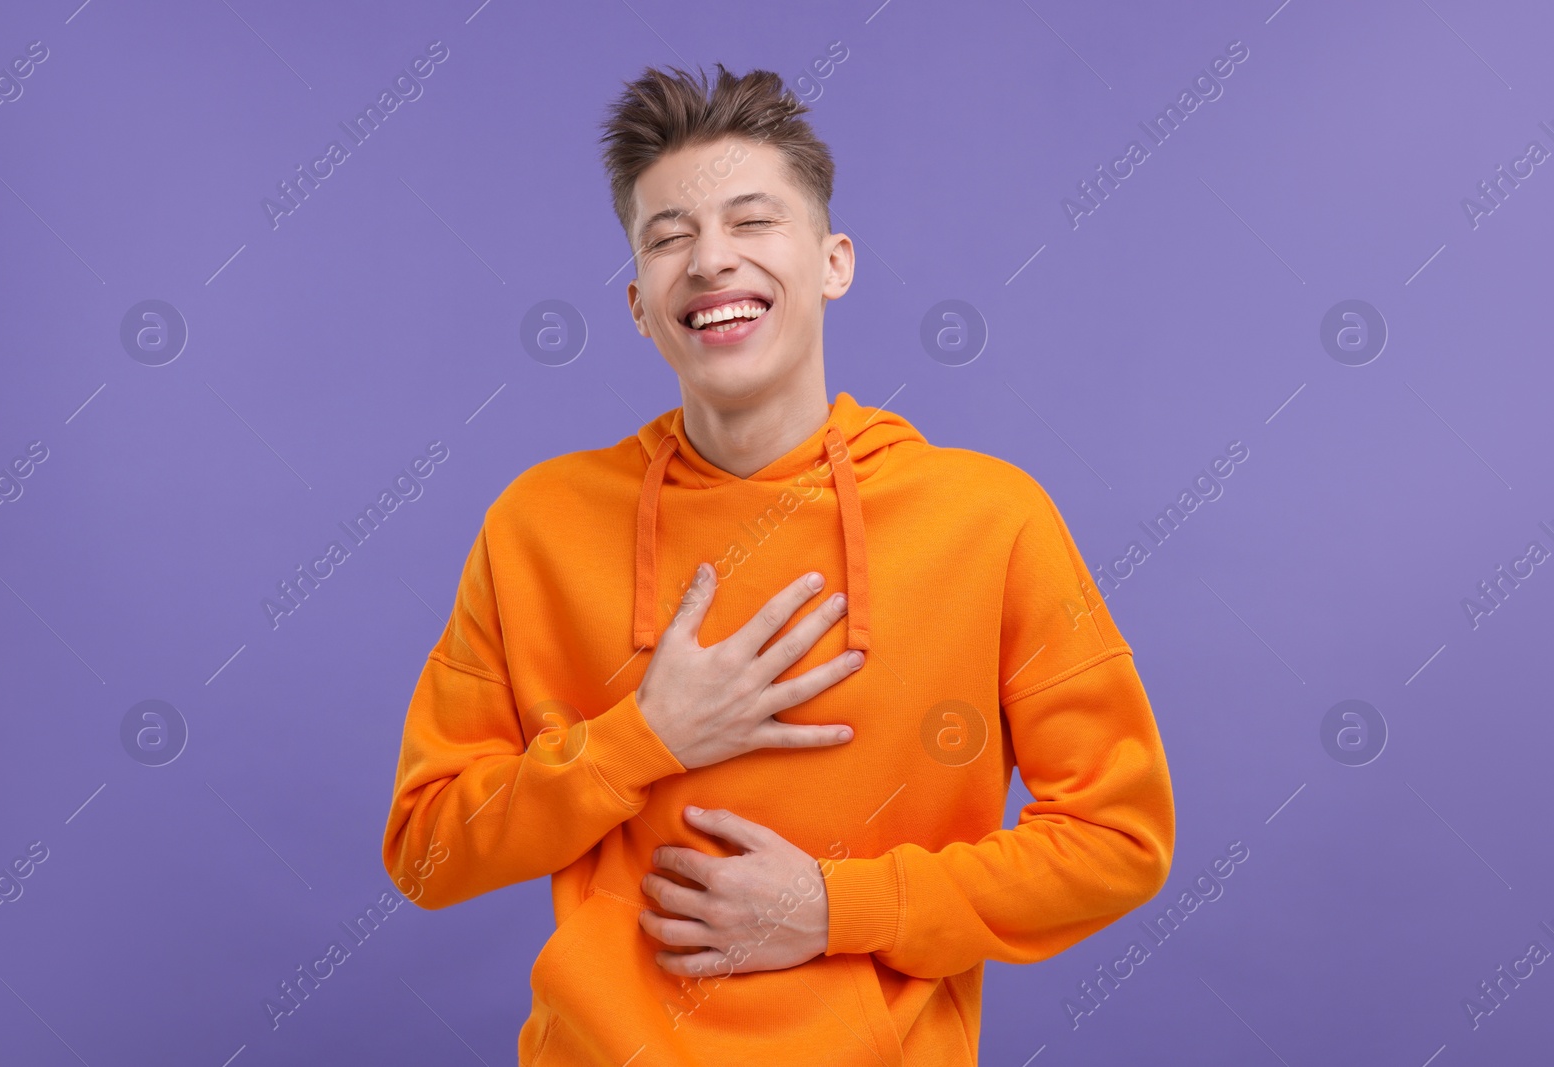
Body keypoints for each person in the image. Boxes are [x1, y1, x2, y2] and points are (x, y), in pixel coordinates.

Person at [382, 62, 1176, 1067]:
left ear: (834, 261)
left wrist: (838, 906)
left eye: (752, 223)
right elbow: (427, 848)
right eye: (669, 235)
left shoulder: (991, 519)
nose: (709, 260)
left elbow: (1119, 838)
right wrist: (641, 739)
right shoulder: (538, 524)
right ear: (637, 302)